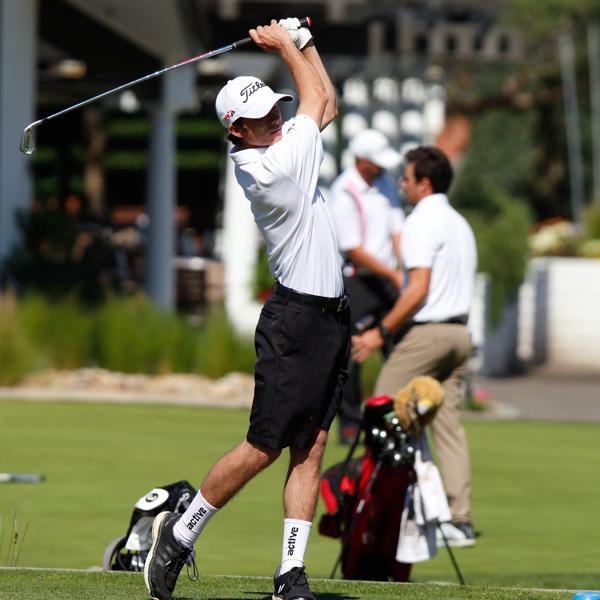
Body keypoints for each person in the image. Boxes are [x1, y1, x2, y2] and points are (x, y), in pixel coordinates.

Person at [143, 18, 350, 600]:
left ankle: (291, 574)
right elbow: (316, 99)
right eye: (263, 117)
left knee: (311, 447)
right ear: (238, 129)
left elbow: (322, 100)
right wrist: (285, 44)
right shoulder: (271, 169)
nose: (277, 118)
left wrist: (303, 44)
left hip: (330, 318)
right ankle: (179, 536)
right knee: (264, 445)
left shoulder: (280, 145)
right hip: (297, 320)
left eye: (276, 110)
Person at [351, 146, 478, 548]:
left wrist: (381, 333)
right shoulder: (460, 223)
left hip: (427, 334)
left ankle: (380, 512)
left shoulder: (423, 221)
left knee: (381, 411)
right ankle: (459, 519)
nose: (401, 185)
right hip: (460, 335)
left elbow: (418, 289)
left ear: (423, 183)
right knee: (447, 426)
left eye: (405, 179)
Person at [328, 129, 404, 444]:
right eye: (376, 162)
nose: (381, 168)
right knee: (349, 351)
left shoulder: (385, 184)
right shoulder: (344, 190)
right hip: (357, 279)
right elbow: (354, 248)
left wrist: (403, 271)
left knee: (399, 349)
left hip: (388, 279)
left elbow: (397, 232)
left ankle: (397, 419)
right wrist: (395, 275)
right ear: (362, 161)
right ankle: (349, 421)